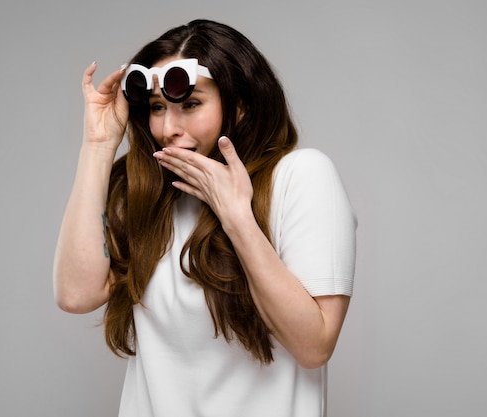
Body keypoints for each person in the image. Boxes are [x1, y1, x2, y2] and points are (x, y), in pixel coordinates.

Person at [53, 19, 357, 417]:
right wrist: (98, 144)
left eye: (190, 104)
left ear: (242, 105)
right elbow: (76, 296)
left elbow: (314, 346)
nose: (167, 128)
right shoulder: (146, 194)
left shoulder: (300, 176)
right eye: (157, 108)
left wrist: (237, 218)